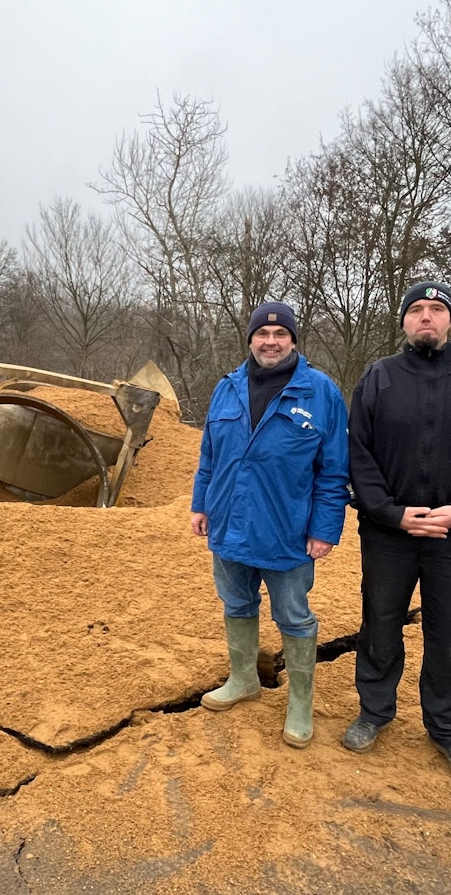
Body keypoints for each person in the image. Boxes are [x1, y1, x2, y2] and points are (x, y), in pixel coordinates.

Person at [342, 280, 451, 789]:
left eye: (436, 309)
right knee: (380, 622)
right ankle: (374, 712)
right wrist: (391, 512)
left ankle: (447, 730)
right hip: (388, 534)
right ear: (403, 321)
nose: (426, 317)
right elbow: (359, 454)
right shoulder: (379, 377)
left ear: (450, 320)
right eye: (416, 309)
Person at [190, 302, 350, 748]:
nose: (271, 342)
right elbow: (209, 456)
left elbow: (334, 470)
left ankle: (300, 701)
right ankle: (243, 680)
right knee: (236, 602)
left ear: (294, 341)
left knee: (294, 617)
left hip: (287, 530)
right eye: (262, 334)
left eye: (281, 335)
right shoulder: (227, 388)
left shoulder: (321, 393)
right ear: (251, 340)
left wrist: (324, 529)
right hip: (229, 523)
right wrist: (200, 505)